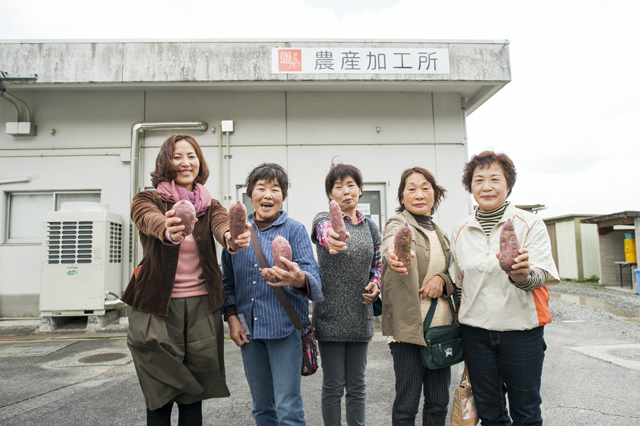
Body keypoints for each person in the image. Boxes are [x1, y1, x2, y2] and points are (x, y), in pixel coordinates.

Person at [122, 134, 251, 426]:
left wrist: (232, 237)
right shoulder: (148, 199)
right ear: (166, 162)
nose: (185, 163)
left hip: (202, 308)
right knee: (160, 395)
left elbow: (221, 228)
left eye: (191, 156)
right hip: (155, 306)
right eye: (177, 156)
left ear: (199, 161)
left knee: (193, 400)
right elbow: (146, 217)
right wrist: (167, 228)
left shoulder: (211, 205)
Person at [449, 151, 560, 426]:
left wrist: (521, 276)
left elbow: (542, 274)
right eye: (478, 180)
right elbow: (459, 283)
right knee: (491, 415)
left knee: (526, 413)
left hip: (521, 332)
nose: (486, 186)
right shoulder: (461, 230)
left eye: (494, 179)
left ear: (508, 185)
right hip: (476, 334)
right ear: (470, 187)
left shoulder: (528, 223)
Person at [222, 163, 323, 426]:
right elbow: (227, 282)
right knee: (262, 408)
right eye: (261, 188)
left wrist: (297, 278)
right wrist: (231, 317)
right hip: (249, 332)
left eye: (275, 189)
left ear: (283, 195)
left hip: (285, 330)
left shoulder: (294, 229)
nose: (268, 195)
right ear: (250, 195)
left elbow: (313, 275)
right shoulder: (236, 232)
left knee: (288, 407)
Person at [381, 167, 455, 426]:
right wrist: (394, 255)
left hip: (440, 329)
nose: (419, 194)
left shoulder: (442, 233)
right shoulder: (398, 224)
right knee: (406, 405)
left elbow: (453, 272)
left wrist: (443, 280)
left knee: (438, 403)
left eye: (425, 187)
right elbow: (391, 244)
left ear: (435, 194)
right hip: (408, 330)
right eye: (411, 189)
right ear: (402, 197)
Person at [310, 163, 382, 426]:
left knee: (357, 386)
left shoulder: (371, 227)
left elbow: (377, 264)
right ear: (331, 195)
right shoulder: (323, 219)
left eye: (351, 185)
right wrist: (332, 237)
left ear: (360, 190)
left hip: (360, 316)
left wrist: (376, 284)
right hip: (330, 316)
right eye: (338, 187)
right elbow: (324, 232)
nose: (346, 191)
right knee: (333, 385)